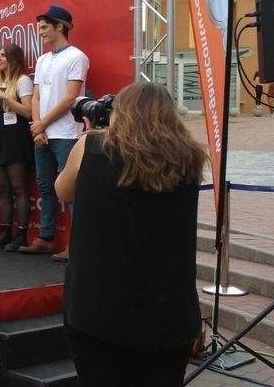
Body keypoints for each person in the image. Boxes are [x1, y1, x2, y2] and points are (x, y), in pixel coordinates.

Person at [55, 82, 205, 386]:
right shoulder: (189, 157)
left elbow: (62, 189)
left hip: (96, 309)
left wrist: (91, 132)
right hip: (169, 311)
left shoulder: (91, 147)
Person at [21, 4, 89, 261]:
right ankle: (46, 238)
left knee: (71, 190)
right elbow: (37, 95)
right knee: (45, 187)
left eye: (44, 27)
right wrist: (37, 125)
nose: (40, 32)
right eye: (39, 27)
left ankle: (77, 245)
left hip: (67, 133)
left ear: (60, 26)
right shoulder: (42, 59)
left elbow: (71, 97)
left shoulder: (77, 57)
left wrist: (42, 123)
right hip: (43, 133)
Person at [0, 44, 36, 251]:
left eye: (3, 55)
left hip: (17, 137)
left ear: (14, 59)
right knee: (3, 188)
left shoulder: (23, 81)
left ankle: (21, 234)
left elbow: (28, 112)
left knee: (19, 187)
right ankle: (4, 232)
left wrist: (5, 96)